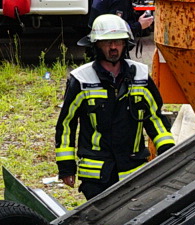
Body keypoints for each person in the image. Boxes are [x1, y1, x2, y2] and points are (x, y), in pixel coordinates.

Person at [55, 13, 175, 200]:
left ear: (125, 44)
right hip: (96, 175)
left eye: (118, 42)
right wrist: (66, 167)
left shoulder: (140, 77)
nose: (113, 48)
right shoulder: (81, 80)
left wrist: (168, 152)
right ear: (96, 45)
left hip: (133, 170)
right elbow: (66, 124)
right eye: (107, 43)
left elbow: (155, 118)